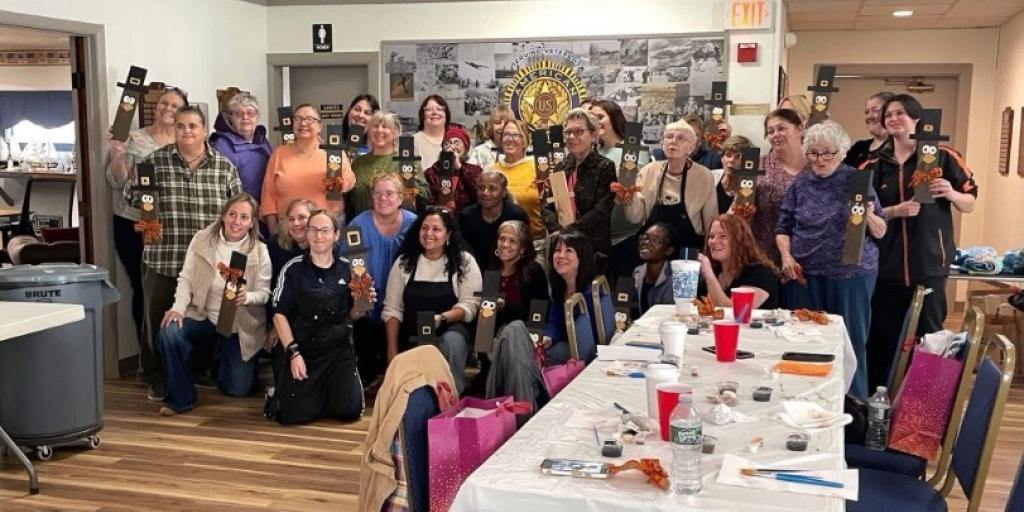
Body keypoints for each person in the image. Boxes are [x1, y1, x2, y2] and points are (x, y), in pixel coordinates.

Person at [864, 93, 978, 391]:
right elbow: (860, 215)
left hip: (929, 265)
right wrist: (893, 211)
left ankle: (923, 410)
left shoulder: (943, 156)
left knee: (929, 340)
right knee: (882, 341)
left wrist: (951, 193)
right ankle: (880, 408)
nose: (893, 119)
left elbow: (970, 202)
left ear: (916, 119)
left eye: (901, 113)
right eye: (888, 115)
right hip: (884, 269)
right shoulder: (872, 165)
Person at [132, 105, 242, 401]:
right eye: (181, 126)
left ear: (204, 130)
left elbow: (237, 211)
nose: (187, 131)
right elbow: (139, 204)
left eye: (193, 126)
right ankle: (155, 376)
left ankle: (195, 370)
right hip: (164, 256)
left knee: (203, 318)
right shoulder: (151, 164)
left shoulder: (224, 167)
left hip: (209, 262)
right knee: (158, 320)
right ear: (174, 129)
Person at [776, 121, 886, 399]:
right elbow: (783, 226)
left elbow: (880, 230)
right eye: (813, 153)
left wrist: (867, 213)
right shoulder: (801, 181)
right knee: (805, 342)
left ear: (843, 152)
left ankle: (854, 406)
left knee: (849, 341)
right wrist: (786, 256)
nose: (821, 159)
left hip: (850, 274)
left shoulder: (857, 181)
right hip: (805, 274)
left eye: (828, 153)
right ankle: (806, 398)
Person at [156, 193, 271, 415]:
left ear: (252, 222)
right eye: (232, 214)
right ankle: (180, 399)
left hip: (239, 324)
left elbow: (265, 293)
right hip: (203, 314)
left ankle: (217, 359)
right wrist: (177, 309)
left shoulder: (259, 251)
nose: (237, 222)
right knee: (169, 331)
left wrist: (247, 297)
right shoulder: (202, 239)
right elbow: (186, 278)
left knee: (238, 389)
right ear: (224, 215)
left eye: (244, 217)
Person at [105, 87, 187, 357]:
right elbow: (115, 180)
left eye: (175, 105)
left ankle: (173, 352)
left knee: (173, 288)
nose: (167, 108)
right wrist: (117, 152)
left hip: (171, 227)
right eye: (164, 103)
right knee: (143, 288)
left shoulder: (186, 142)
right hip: (132, 223)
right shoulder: (135, 138)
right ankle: (148, 356)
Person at [270, 209, 372, 424]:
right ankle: (287, 391)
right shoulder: (292, 269)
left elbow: (353, 315)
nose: (318, 236)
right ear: (306, 234)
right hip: (301, 348)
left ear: (336, 235)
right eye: (313, 230)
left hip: (337, 349)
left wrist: (362, 306)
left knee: (349, 411)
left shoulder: (351, 269)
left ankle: (326, 395)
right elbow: (279, 315)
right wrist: (293, 352)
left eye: (325, 230)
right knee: (292, 416)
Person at [382, 206, 483, 393]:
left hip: (449, 332)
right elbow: (392, 310)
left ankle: (452, 396)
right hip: (412, 336)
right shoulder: (404, 262)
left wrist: (441, 318)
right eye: (424, 228)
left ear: (448, 234)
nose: (429, 233)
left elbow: (470, 306)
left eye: (436, 229)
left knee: (452, 340)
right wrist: (392, 353)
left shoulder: (464, 262)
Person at [346, 173, 417, 387]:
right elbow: (354, 265)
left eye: (389, 193)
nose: (383, 198)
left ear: (400, 197)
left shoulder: (414, 224)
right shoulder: (357, 225)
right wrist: (363, 296)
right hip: (369, 295)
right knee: (361, 311)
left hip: (403, 298)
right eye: (377, 193)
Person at [624, 120, 717, 255]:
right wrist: (629, 196)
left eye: (680, 138)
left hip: (687, 249)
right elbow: (635, 218)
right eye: (669, 137)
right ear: (662, 144)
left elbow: (711, 221)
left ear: (691, 148)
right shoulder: (649, 171)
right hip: (653, 251)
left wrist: (708, 255)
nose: (673, 141)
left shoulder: (704, 176)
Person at [260, 104, 355, 234]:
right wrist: (273, 233)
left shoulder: (332, 153)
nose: (303, 123)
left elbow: (349, 180)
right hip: (289, 229)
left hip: (325, 228)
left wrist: (338, 184)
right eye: (298, 119)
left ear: (320, 126)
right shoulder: (279, 154)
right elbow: (268, 198)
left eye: (310, 119)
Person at [542, 108, 617, 256]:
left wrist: (568, 231)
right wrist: (557, 230)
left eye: (578, 131)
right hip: (560, 244)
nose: (571, 137)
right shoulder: (560, 166)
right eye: (568, 132)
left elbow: (601, 210)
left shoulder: (605, 167)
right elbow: (546, 205)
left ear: (594, 135)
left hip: (591, 247)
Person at [589, 99, 650, 280]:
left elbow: (635, 183)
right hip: (599, 238)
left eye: (600, 116)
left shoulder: (633, 148)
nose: (596, 121)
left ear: (614, 118)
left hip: (627, 237)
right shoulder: (593, 154)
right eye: (592, 118)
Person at [542, 230, 612, 364]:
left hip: (593, 352)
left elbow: (594, 338)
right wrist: (549, 336)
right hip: (568, 343)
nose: (561, 255)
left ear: (581, 257)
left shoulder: (592, 293)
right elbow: (555, 321)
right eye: (557, 250)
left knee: (551, 355)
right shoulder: (558, 287)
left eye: (568, 250)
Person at [751, 109, 806, 267]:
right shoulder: (756, 166)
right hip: (765, 256)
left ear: (800, 128)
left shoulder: (817, 164)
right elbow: (740, 205)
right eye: (770, 131)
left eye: (782, 128)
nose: (775, 135)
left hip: (808, 256)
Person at [349, 110, 428, 214]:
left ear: (395, 132)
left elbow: (424, 194)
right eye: (375, 126)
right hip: (364, 225)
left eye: (385, 126)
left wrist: (409, 189)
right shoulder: (358, 163)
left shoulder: (407, 161)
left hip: (401, 225)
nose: (379, 130)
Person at [697, 214, 780, 309]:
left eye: (722, 236)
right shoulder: (713, 271)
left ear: (739, 240)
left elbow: (735, 312)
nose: (713, 241)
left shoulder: (761, 273)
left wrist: (709, 275)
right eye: (711, 236)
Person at [209, 92, 273, 207]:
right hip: (237, 212)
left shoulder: (263, 140)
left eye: (250, 113)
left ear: (258, 116)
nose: (245, 118)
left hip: (266, 212)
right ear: (230, 118)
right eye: (238, 114)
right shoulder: (220, 145)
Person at [458, 170, 528, 269]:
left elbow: (526, 252)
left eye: (492, 188)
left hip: (509, 270)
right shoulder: (466, 216)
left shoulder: (516, 215)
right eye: (481, 188)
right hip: (473, 270)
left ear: (503, 192)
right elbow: (461, 250)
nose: (485, 193)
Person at [489, 119, 546, 243]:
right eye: (506, 135)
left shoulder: (538, 168)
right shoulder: (492, 171)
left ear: (525, 141)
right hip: (503, 243)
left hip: (535, 242)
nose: (510, 139)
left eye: (516, 135)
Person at [493, 220, 549, 329]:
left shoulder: (534, 271)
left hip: (523, 334)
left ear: (522, 248)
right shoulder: (492, 268)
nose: (505, 244)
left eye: (512, 241)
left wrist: (505, 306)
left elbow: (538, 315)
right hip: (491, 335)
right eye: (502, 239)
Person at [424, 126, 481, 212]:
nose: (452, 147)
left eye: (457, 143)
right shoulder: (432, 172)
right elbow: (427, 200)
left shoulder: (475, 170)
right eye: (447, 144)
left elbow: (478, 195)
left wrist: (459, 167)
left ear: (465, 148)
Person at [267, 198, 316, 287]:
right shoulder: (274, 245)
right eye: (291, 219)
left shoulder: (325, 247)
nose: (296, 223)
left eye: (302, 217)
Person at [632, 222, 679, 315]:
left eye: (654, 240)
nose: (645, 242)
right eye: (644, 237)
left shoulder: (676, 278)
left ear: (669, 250)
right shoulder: (637, 273)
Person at [843, 91, 895, 168]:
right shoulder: (858, 147)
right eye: (867, 112)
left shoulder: (899, 148)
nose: (869, 117)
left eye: (875, 111)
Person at [711, 135, 754, 215]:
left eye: (738, 157)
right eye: (728, 155)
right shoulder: (710, 176)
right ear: (722, 158)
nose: (731, 160)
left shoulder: (749, 186)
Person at [414, 95, 451, 170]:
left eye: (439, 109)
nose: (434, 112)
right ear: (422, 115)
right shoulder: (412, 142)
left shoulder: (457, 139)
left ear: (446, 114)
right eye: (429, 109)